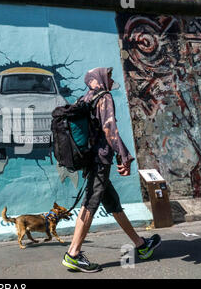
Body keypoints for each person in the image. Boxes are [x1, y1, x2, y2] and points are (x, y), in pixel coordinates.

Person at [61, 67, 161, 273]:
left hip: (91, 157)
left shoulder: (85, 98)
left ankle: (141, 245)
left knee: (113, 203)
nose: (111, 79)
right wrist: (123, 155)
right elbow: (109, 128)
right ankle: (73, 254)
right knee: (90, 202)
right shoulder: (103, 97)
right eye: (108, 76)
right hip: (99, 159)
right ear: (98, 80)